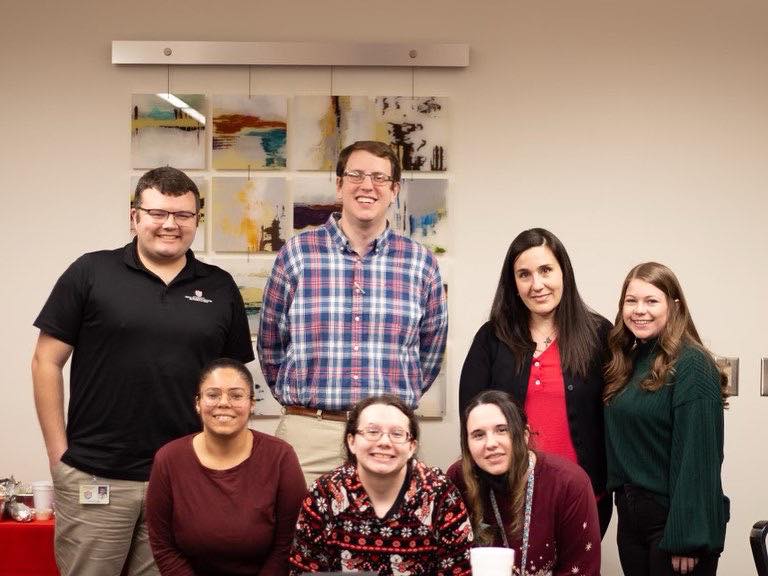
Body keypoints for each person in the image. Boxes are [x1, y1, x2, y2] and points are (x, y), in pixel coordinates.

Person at [31, 167, 254, 576]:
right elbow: (46, 360)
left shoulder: (220, 287)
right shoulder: (91, 272)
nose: (170, 224)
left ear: (197, 222)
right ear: (135, 217)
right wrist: (57, 455)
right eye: (158, 212)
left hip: (184, 476)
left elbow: (231, 383)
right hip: (95, 474)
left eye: (184, 215)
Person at [258, 140, 448, 484]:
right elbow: (271, 344)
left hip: (388, 436)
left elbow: (431, 353)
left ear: (394, 189)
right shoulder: (297, 254)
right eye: (356, 175)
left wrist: (393, 409)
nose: (367, 186)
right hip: (309, 435)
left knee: (389, 538)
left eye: (379, 177)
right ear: (339, 184)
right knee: (299, 536)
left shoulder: (420, 262)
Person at [458, 227, 612, 535]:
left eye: (546, 270)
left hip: (583, 498)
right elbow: (471, 416)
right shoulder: (491, 338)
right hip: (507, 497)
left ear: (563, 273)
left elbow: (621, 413)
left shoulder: (599, 335)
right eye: (524, 274)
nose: (537, 284)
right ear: (513, 283)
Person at [603, 262, 729, 575]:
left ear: (674, 306)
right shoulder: (630, 361)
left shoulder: (692, 364)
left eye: (651, 301)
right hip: (631, 516)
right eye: (631, 301)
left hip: (673, 523)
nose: (639, 310)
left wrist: (686, 537)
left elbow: (698, 458)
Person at [146, 358, 306, 576]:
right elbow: (163, 546)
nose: (224, 403)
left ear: (252, 404)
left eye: (236, 395)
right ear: (197, 402)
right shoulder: (168, 459)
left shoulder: (280, 457)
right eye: (212, 395)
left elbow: (287, 543)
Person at [288, 395, 472, 576]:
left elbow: (460, 570)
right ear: (351, 441)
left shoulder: (439, 494)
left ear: (412, 447)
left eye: (397, 434)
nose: (384, 442)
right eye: (372, 432)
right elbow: (304, 570)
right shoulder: (325, 494)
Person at [448, 390, 600, 575]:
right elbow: (450, 561)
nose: (491, 443)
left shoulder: (568, 483)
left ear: (525, 434)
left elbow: (582, 568)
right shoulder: (458, 478)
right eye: (478, 435)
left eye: (502, 430)